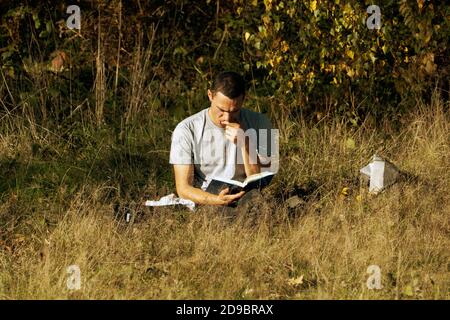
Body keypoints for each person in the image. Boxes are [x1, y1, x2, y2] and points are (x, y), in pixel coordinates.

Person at [169, 71, 274, 207]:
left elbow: (260, 182)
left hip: (248, 196)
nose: (227, 118)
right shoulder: (185, 129)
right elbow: (183, 189)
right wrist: (216, 201)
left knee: (254, 203)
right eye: (221, 110)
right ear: (210, 96)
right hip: (208, 199)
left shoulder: (261, 122)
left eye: (234, 111)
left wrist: (246, 143)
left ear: (243, 100)